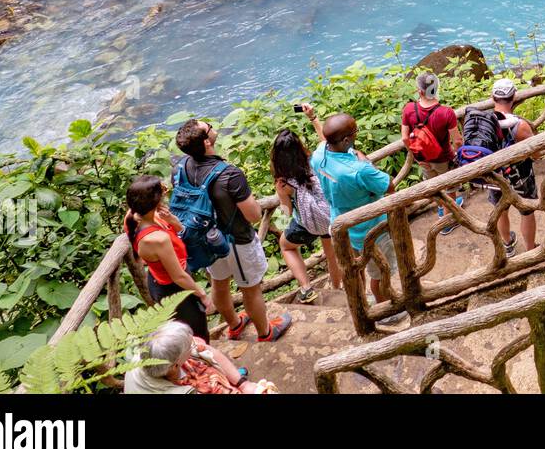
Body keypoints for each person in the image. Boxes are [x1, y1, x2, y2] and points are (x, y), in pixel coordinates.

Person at [173, 119, 291, 343]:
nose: (212, 125)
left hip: (205, 238)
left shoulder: (181, 168)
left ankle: (235, 325)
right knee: (250, 288)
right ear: (207, 141)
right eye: (208, 125)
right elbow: (254, 215)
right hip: (236, 240)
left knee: (219, 283)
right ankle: (265, 333)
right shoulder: (229, 174)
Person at [302, 106, 410, 331]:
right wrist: (364, 161)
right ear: (345, 140)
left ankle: (362, 301)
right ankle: (384, 310)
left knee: (356, 267)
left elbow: (323, 139)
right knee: (380, 272)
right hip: (371, 229)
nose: (356, 135)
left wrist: (314, 119)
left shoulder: (320, 154)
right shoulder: (359, 170)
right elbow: (388, 185)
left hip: (343, 225)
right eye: (354, 133)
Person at [124, 175, 212, 341]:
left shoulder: (133, 216)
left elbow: (178, 231)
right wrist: (202, 294)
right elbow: (178, 276)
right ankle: (202, 365)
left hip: (159, 279)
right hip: (174, 288)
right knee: (196, 334)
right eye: (162, 192)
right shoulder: (156, 239)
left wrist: (172, 221)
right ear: (155, 201)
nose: (166, 193)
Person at [271, 126, 341, 303]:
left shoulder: (283, 183)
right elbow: (326, 142)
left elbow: (286, 212)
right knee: (331, 254)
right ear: (300, 148)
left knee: (286, 245)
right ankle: (337, 288)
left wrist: (281, 199)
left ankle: (306, 288)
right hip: (331, 216)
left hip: (308, 225)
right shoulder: (315, 161)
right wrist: (313, 119)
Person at [125, 321, 274, 394]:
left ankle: (231, 381)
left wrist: (242, 384)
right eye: (189, 346)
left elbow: (205, 349)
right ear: (176, 365)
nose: (195, 343)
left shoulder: (151, 350)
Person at [400, 71, 462, 232]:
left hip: (423, 159)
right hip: (444, 158)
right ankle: (446, 222)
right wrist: (457, 154)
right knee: (450, 189)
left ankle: (442, 209)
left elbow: (405, 138)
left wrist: (416, 157)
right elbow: (457, 140)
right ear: (436, 88)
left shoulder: (409, 109)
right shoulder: (446, 112)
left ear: (420, 91)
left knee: (435, 187)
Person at [487, 78, 542, 258]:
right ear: (514, 98)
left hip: (494, 175)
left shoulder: (485, 123)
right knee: (526, 211)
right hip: (520, 175)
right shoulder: (520, 126)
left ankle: (508, 244)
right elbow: (536, 154)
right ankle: (530, 248)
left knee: (500, 208)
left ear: (492, 97)